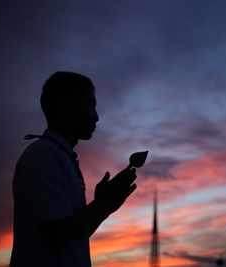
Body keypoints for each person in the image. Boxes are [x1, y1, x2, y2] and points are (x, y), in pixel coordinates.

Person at [10, 71, 137, 267]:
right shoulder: (44, 156)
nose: (96, 116)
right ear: (64, 105)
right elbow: (56, 233)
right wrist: (101, 204)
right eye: (89, 104)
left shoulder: (59, 156)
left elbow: (74, 236)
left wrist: (104, 208)